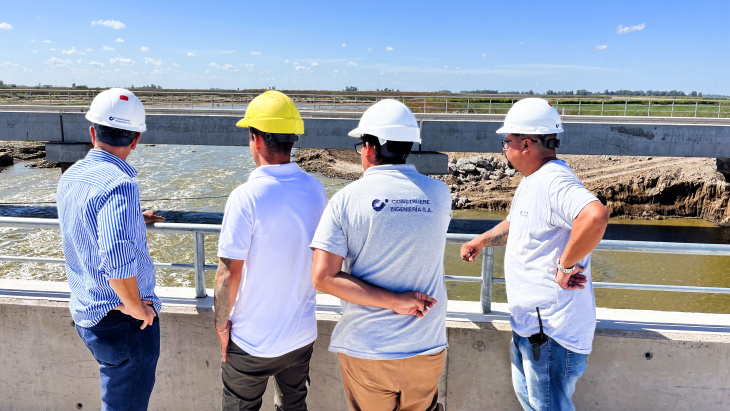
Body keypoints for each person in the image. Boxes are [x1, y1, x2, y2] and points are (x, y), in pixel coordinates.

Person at [460, 98, 609, 411]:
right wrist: (481, 241)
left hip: (552, 334)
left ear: (526, 144)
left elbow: (595, 216)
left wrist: (565, 267)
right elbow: (517, 224)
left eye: (507, 141)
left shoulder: (554, 181)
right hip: (532, 328)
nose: (504, 148)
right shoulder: (534, 180)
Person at [310, 99, 452, 411]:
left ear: (371, 147)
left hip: (368, 348)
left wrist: (396, 302)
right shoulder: (440, 194)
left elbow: (322, 277)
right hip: (426, 343)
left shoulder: (346, 199)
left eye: (361, 145)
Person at [214, 90, 328, 411]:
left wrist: (221, 325)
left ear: (255, 139)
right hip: (300, 337)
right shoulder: (316, 189)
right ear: (293, 140)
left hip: (251, 342)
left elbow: (228, 275)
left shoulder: (245, 197)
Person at [57, 88, 165, 411]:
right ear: (135, 140)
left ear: (93, 133)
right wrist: (137, 308)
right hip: (122, 322)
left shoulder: (72, 177)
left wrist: (134, 218)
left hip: (87, 313)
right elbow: (117, 263)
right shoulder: (120, 185)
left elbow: (87, 225)